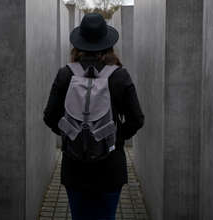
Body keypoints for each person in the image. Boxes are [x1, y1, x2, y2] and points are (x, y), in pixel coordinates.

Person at [43, 13, 144, 220]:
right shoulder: (119, 76)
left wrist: (72, 134)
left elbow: (49, 117)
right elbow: (137, 119)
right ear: (108, 44)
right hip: (110, 168)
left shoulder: (65, 74)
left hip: (74, 168)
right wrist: (112, 137)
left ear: (78, 44)